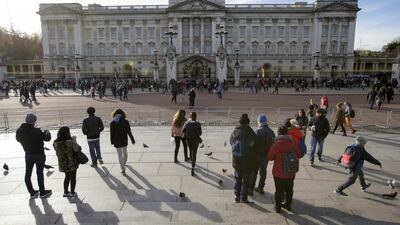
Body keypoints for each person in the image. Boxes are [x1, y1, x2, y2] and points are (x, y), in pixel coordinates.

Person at [16, 112, 52, 199]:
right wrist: (47, 132)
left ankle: (32, 192)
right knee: (39, 173)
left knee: (28, 174)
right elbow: (47, 139)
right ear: (33, 121)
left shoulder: (19, 131)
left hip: (28, 154)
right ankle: (42, 192)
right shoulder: (36, 131)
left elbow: (18, 139)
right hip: (39, 154)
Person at [268, 126, 301, 213]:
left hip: (278, 173)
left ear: (278, 133)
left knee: (278, 191)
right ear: (287, 133)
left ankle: (278, 208)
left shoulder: (276, 144)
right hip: (290, 171)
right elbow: (299, 154)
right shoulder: (293, 142)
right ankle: (288, 205)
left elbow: (270, 157)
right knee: (289, 190)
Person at [230, 113, 258, 203]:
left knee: (238, 179)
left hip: (237, 159)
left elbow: (231, 142)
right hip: (247, 160)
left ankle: (236, 196)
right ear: (248, 123)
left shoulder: (235, 131)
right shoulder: (250, 132)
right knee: (246, 180)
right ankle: (244, 198)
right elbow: (255, 145)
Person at [249, 114, 275, 195]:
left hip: (257, 155)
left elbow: (252, 144)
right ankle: (261, 187)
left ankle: (250, 188)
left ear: (259, 122)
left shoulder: (257, 131)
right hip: (266, 156)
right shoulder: (271, 132)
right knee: (263, 171)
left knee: (254, 171)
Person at [53, 126, 81, 198]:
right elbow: (77, 149)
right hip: (72, 162)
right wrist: (75, 141)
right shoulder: (70, 141)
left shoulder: (55, 143)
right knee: (73, 177)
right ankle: (72, 192)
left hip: (63, 163)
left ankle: (65, 192)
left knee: (67, 177)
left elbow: (57, 152)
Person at [110, 109, 135, 175]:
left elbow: (111, 133)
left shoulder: (113, 122)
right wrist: (132, 139)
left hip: (116, 141)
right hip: (124, 140)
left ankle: (123, 169)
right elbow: (129, 131)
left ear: (114, 114)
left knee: (119, 155)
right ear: (123, 114)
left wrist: (112, 141)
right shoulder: (125, 121)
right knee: (125, 152)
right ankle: (124, 162)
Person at [182, 112, 202, 176]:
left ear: (190, 117)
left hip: (188, 140)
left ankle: (191, 161)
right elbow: (200, 133)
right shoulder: (198, 124)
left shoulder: (186, 123)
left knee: (190, 151)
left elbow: (183, 131)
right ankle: (193, 167)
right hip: (195, 140)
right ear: (196, 117)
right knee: (194, 153)